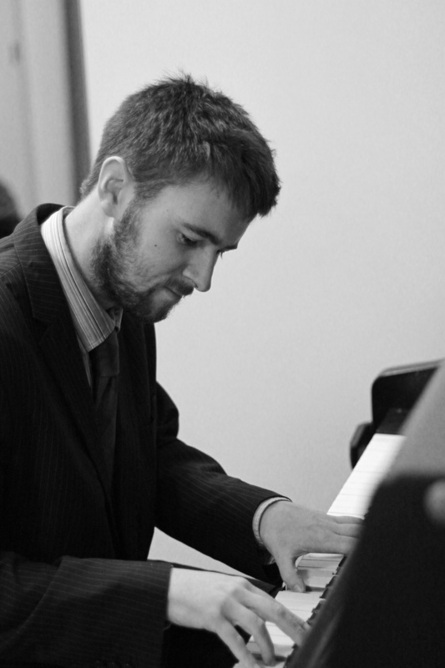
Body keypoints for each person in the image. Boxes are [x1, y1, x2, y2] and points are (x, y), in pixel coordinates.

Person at [0, 75, 361, 668]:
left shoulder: (123, 294)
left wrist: (264, 519)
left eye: (219, 252)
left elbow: (150, 459)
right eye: (191, 239)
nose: (203, 278)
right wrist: (166, 592)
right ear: (116, 188)